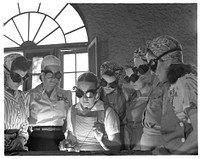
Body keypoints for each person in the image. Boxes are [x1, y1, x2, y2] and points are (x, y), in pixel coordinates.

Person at [145, 35, 197, 155]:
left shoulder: (186, 84)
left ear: (168, 61)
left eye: (152, 64)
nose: (152, 71)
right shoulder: (169, 87)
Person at [59, 72, 121, 152]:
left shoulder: (107, 112)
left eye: (89, 94)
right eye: (80, 93)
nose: (84, 98)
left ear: (97, 92)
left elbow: (117, 147)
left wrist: (102, 140)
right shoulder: (72, 110)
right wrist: (67, 145)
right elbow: (72, 139)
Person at [26, 55, 72, 151]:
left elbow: (69, 121)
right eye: (50, 74)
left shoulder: (66, 94)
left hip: (59, 139)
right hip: (37, 139)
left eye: (57, 75)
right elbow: (24, 122)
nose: (54, 78)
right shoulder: (30, 95)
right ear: (42, 75)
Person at [123, 48, 157, 150]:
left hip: (147, 145)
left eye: (134, 77)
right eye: (128, 79)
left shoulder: (157, 95)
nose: (131, 82)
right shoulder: (133, 96)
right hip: (131, 143)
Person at [99, 61, 131, 149]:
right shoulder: (96, 94)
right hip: (102, 130)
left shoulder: (126, 93)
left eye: (112, 84)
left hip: (122, 130)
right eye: (104, 83)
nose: (108, 87)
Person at [4, 53, 32, 153]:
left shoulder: (21, 97)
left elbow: (24, 124)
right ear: (5, 73)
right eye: (16, 77)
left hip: (18, 149)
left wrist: (21, 138)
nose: (21, 82)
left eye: (24, 78)